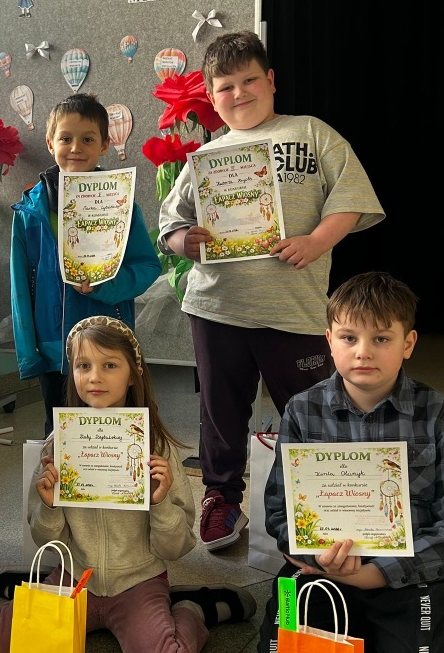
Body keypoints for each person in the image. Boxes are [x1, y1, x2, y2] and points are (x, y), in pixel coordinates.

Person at [158, 31, 385, 551]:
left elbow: (351, 197)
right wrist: (183, 241)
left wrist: (317, 241)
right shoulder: (205, 156)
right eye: (225, 87)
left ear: (271, 80)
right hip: (217, 307)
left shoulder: (311, 133)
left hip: (294, 309)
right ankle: (221, 497)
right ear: (211, 97)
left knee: (313, 412)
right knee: (220, 412)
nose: (239, 93)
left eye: (249, 80)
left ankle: (328, 502)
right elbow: (170, 225)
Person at [256, 271, 444, 653]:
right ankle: (373, 641)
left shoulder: (439, 415)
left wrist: (376, 574)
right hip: (322, 570)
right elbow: (279, 512)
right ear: (330, 341)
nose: (363, 351)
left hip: (412, 574)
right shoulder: (302, 410)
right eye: (349, 337)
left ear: (408, 344)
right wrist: (318, 559)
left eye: (381, 338)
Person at [0, 315, 256, 653]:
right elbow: (46, 541)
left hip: (138, 583)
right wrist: (50, 506)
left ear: (133, 374)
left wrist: (160, 503)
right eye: (83, 366)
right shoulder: (59, 446)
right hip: (75, 579)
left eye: (109, 365)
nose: (95, 377)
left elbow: (177, 547)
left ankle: (193, 609)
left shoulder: (155, 448)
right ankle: (34, 586)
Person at [11, 92, 161, 437]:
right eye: (66, 138)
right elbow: (20, 286)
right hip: (53, 349)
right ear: (50, 143)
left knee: (112, 433)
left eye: (88, 139)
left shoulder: (121, 205)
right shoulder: (30, 211)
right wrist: (29, 353)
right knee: (59, 435)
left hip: (108, 347)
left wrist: (107, 285)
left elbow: (146, 266)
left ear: (105, 145)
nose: (75, 148)